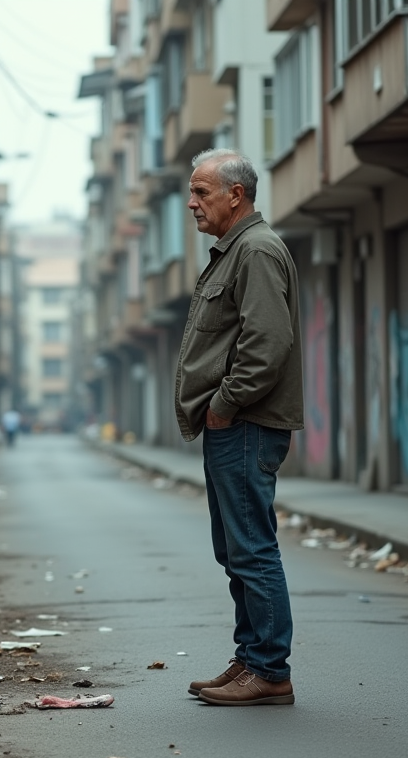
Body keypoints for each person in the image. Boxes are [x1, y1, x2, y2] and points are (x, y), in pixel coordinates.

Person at [175, 148, 303, 706]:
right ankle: (251, 657)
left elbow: (267, 344)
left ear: (237, 194)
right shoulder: (236, 250)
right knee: (234, 549)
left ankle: (270, 670)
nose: (192, 202)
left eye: (203, 192)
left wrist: (225, 404)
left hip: (247, 423)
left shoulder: (254, 249)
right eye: (192, 191)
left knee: (252, 548)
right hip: (234, 424)